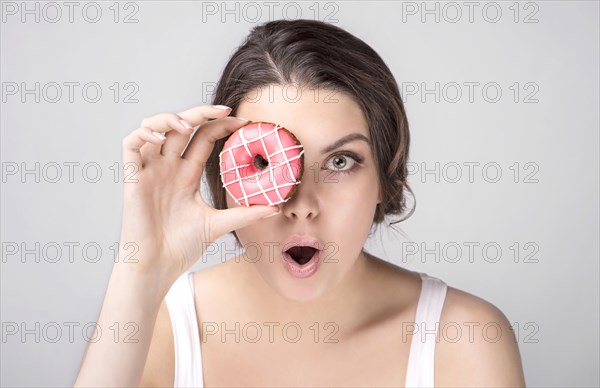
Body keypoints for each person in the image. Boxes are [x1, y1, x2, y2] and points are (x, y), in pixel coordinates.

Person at [74, 19, 526, 387]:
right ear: (222, 177)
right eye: (263, 162)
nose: (302, 205)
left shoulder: (465, 338)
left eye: (341, 161)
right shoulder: (158, 331)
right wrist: (140, 271)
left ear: (383, 179)